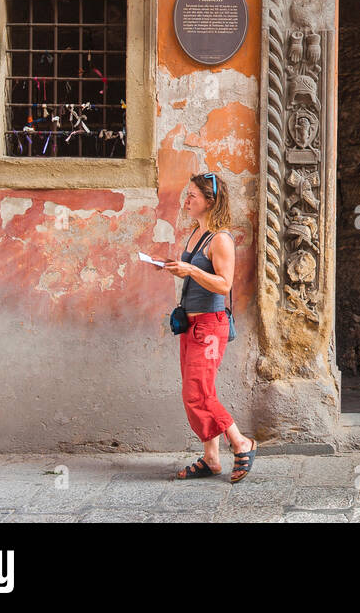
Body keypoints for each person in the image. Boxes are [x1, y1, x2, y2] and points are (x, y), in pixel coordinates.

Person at [161, 171, 257, 483]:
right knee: (199, 391)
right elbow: (197, 274)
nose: (185, 200)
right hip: (190, 324)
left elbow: (224, 283)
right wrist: (180, 269)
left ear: (210, 201)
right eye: (187, 195)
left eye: (192, 196)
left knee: (199, 393)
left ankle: (241, 442)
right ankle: (211, 457)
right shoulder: (197, 234)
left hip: (209, 326)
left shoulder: (221, 239)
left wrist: (189, 268)